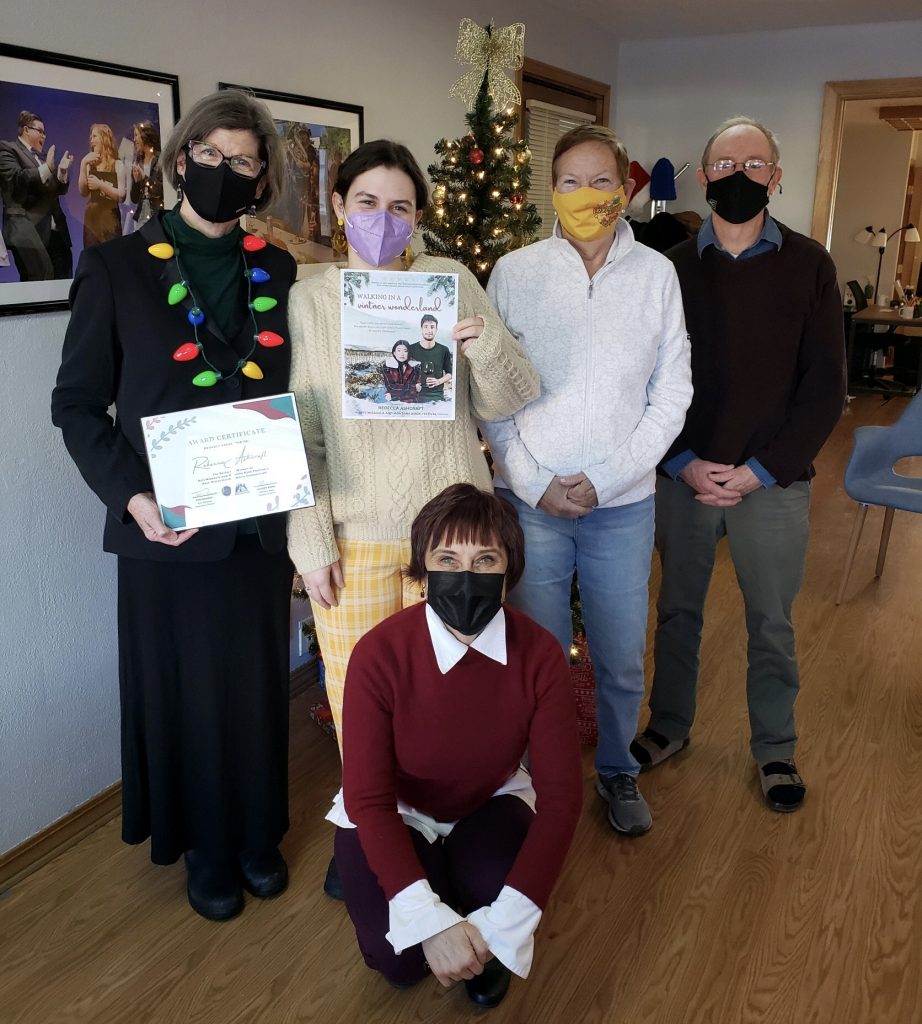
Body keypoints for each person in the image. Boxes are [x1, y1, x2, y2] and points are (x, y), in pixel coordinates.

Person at [51, 90, 297, 921]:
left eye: (242, 161)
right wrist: (131, 495)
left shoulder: (280, 269)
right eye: (210, 154)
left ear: (261, 179)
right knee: (186, 690)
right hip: (169, 525)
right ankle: (204, 847)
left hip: (258, 525)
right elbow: (77, 405)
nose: (223, 171)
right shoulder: (117, 267)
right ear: (180, 157)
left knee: (259, 684)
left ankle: (259, 831)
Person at [287, 139, 539, 740]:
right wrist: (310, 540)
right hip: (356, 544)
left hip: (455, 539)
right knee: (363, 709)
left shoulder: (448, 280)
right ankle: (380, 828)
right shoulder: (310, 300)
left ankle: (455, 823)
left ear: (418, 218)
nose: (383, 218)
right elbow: (303, 430)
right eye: (368, 202)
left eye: (400, 208)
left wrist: (487, 348)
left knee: (457, 703)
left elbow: (510, 396)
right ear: (340, 204)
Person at [481, 124, 692, 837]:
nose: (585, 195)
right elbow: (492, 391)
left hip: (622, 505)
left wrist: (603, 479)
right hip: (531, 502)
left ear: (625, 190)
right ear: (552, 191)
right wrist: (532, 480)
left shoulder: (657, 277)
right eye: (569, 181)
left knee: (620, 650)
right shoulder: (515, 272)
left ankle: (617, 772)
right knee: (535, 654)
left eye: (601, 181)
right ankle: (542, 778)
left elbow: (672, 395)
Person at [633, 116, 846, 813]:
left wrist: (761, 470)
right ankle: (668, 728)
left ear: (776, 177)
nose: (740, 175)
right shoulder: (669, 269)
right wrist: (686, 462)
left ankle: (776, 749)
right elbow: (648, 380)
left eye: (756, 164)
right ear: (704, 176)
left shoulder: (811, 265)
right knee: (678, 612)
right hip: (686, 475)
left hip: (772, 481)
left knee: (772, 622)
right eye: (726, 163)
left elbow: (825, 388)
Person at [332, 483, 582, 1007]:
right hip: (397, 810)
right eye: (447, 557)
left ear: (508, 575)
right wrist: (429, 922)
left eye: (484, 558)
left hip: (487, 802)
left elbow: (561, 800)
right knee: (396, 961)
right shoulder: (379, 654)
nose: (465, 576)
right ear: (422, 571)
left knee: (496, 902)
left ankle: (459, 905)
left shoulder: (539, 655)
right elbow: (370, 799)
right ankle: (433, 890)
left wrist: (506, 924)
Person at [0, 109, 73, 280]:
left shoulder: (42, 156)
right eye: (40, 131)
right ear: (26, 130)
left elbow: (58, 190)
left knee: (64, 280)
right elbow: (16, 180)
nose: (44, 136)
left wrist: (61, 172)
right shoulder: (7, 149)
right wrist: (46, 168)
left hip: (57, 233)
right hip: (30, 231)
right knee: (38, 280)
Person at [79, 123, 127, 248]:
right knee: (93, 260)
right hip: (92, 220)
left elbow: (121, 195)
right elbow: (83, 192)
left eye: (94, 136)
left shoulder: (117, 165)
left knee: (112, 257)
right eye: (90, 137)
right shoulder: (90, 164)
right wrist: (83, 164)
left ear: (104, 139)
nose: (91, 139)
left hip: (110, 220)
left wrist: (100, 185)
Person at [409, 313, 452, 402]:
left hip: (437, 397)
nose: (429, 330)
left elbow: (450, 373)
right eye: (426, 327)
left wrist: (438, 381)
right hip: (415, 397)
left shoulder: (444, 350)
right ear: (421, 328)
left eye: (432, 327)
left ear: (436, 329)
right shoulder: (411, 349)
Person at [129, 120, 163, 227]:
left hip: (158, 216)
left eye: (136, 135)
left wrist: (144, 178)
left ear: (145, 136)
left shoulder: (160, 159)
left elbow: (161, 190)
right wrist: (136, 181)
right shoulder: (137, 162)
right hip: (141, 217)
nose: (134, 139)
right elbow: (134, 199)